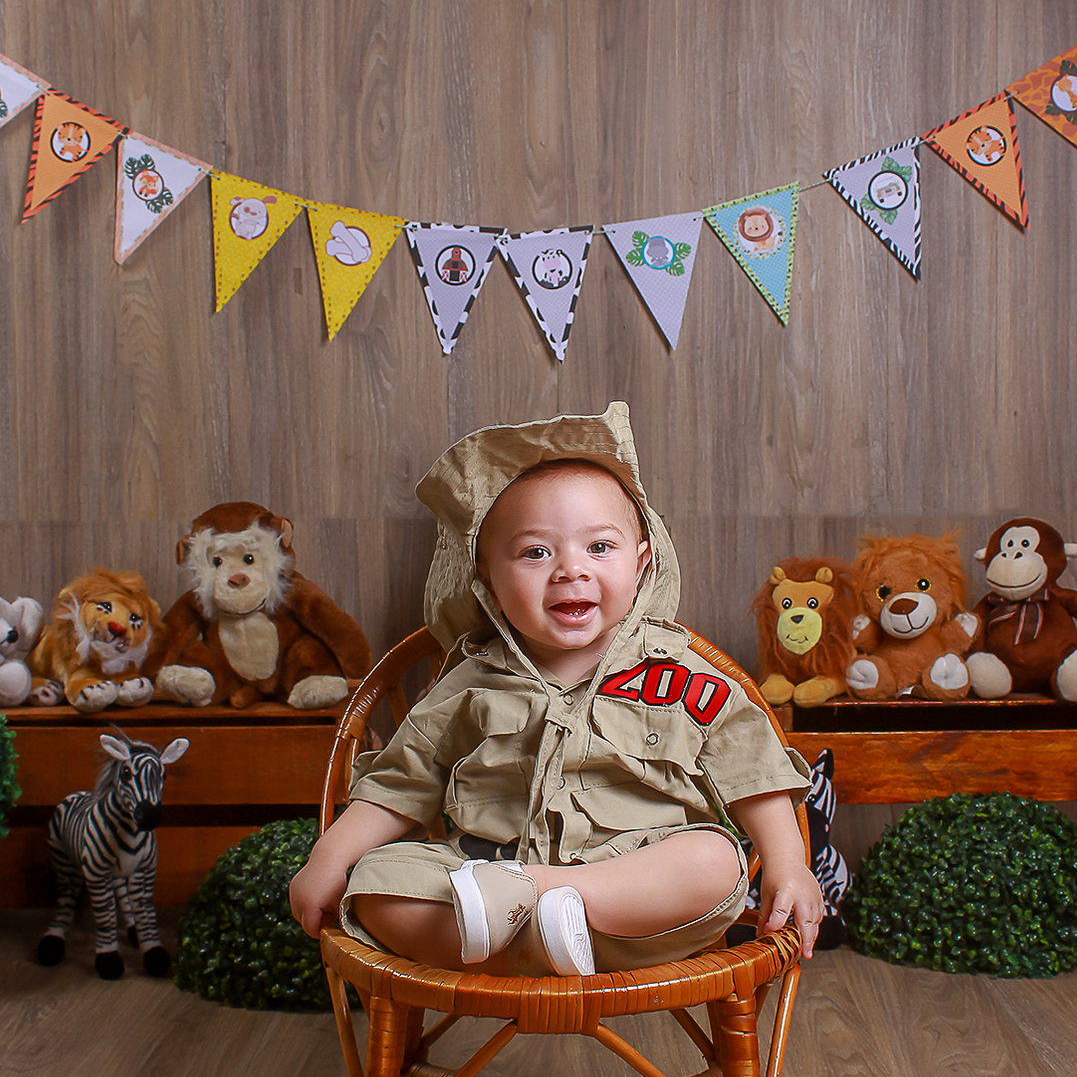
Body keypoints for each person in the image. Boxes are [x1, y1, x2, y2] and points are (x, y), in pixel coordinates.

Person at [290, 403, 824, 976]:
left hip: (634, 919)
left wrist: (789, 864)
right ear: (488, 581)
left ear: (642, 563)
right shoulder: (470, 682)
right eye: (535, 552)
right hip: (482, 914)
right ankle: (518, 924)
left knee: (715, 860)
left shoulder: (682, 675)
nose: (571, 569)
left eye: (599, 547)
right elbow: (400, 782)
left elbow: (756, 770)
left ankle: (543, 893)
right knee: (376, 883)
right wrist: (329, 856)